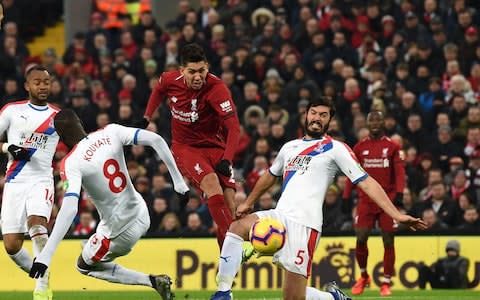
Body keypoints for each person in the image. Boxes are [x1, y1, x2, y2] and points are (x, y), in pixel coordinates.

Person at [210, 97, 427, 300]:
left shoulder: (337, 149)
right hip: (280, 216)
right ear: (306, 115)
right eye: (313, 113)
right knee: (237, 228)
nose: (317, 118)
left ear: (330, 121)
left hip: (305, 225)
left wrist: (396, 214)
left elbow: (366, 182)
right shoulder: (289, 147)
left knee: (293, 297)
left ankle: (331, 297)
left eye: (323, 115)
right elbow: (270, 176)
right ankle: (223, 293)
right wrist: (248, 202)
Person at [28, 109, 190, 300]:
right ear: (80, 122)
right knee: (92, 247)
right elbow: (156, 140)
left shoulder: (70, 162)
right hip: (141, 212)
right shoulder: (111, 131)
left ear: (61, 138)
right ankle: (92, 246)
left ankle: (152, 281)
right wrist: (179, 184)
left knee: (83, 266)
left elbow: (70, 207)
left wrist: (45, 256)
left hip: (119, 232)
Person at [139, 43, 240, 249]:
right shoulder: (169, 80)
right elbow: (158, 90)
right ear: (181, 70)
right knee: (212, 184)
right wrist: (147, 117)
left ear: (207, 67)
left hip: (215, 146)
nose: (198, 76)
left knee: (230, 206)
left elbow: (234, 128)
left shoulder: (217, 89)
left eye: (202, 71)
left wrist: (227, 158)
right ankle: (236, 245)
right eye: (192, 72)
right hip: (186, 148)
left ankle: (227, 264)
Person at [0, 65, 59, 300]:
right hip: (15, 182)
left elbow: (80, 144)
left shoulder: (58, 116)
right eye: (37, 82)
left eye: (46, 82)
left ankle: (42, 289)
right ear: (27, 86)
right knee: (12, 247)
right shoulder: (12, 111)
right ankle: (41, 275)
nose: (43, 86)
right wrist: (7, 147)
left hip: (42, 180)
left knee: (37, 223)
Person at [341, 110, 406, 296]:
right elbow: (350, 173)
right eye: (372, 120)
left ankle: (386, 282)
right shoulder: (360, 147)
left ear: (384, 122)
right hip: (366, 200)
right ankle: (363, 276)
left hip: (387, 200)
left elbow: (400, 172)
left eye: (378, 119)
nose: (375, 123)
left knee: (388, 239)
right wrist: (346, 196)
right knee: (360, 237)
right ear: (367, 124)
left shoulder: (393, 146)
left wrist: (400, 192)